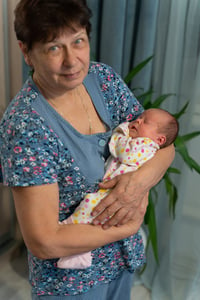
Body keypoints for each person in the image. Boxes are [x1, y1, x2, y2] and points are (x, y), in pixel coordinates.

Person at [0, 1, 175, 299]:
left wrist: (139, 182)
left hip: (122, 263)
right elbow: (43, 241)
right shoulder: (25, 125)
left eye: (78, 41)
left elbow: (161, 145)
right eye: (54, 48)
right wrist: (127, 227)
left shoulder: (103, 79)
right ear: (26, 51)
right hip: (72, 283)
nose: (72, 61)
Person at [57, 108, 179, 269]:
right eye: (140, 117)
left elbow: (125, 154)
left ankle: (67, 227)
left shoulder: (147, 146)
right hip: (112, 189)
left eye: (145, 122)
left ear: (160, 139)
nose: (137, 121)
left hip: (113, 193)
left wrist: (120, 133)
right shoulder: (140, 141)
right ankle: (81, 252)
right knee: (93, 219)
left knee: (90, 205)